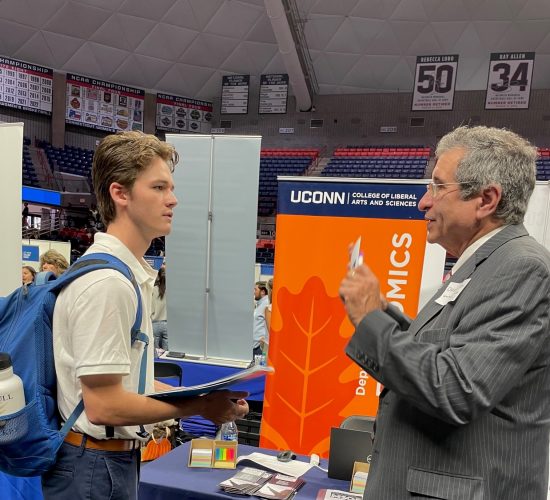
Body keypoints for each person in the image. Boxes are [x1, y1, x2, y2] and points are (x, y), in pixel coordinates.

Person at [339, 125, 550, 500]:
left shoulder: (522, 268)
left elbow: (455, 389)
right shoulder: (485, 265)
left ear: (486, 200)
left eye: (437, 186)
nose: (424, 201)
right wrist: (384, 315)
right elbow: (444, 353)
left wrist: (371, 318)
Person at [41, 131, 249, 500]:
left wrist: (206, 395)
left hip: (104, 463)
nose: (173, 199)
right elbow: (104, 405)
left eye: (170, 187)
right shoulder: (108, 283)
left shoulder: (120, 275)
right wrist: (199, 405)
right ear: (120, 194)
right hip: (93, 466)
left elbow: (128, 388)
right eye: (158, 187)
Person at [151, 263, 168, 353]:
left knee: (155, 355)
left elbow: (150, 308)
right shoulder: (172, 290)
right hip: (168, 324)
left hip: (154, 324)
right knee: (167, 355)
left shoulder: (153, 289)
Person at [253, 281, 269, 358]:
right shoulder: (260, 304)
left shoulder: (266, 304)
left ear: (262, 292)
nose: (254, 292)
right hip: (255, 346)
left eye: (255, 290)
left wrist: (264, 338)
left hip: (259, 347)